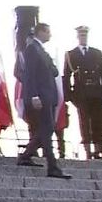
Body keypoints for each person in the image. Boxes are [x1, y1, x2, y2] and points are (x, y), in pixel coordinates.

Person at [16, 23, 71, 179]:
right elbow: (29, 75)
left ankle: (26, 156)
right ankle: (52, 166)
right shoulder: (32, 49)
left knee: (47, 129)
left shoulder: (42, 50)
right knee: (46, 130)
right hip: (41, 96)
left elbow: (54, 71)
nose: (50, 35)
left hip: (48, 95)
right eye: (48, 32)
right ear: (40, 32)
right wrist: (33, 95)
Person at [62, 25, 102, 160]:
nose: (83, 37)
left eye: (85, 35)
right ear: (78, 37)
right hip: (81, 94)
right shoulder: (71, 54)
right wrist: (69, 95)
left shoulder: (97, 53)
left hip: (96, 93)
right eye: (81, 35)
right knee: (84, 123)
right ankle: (88, 150)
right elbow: (66, 75)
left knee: (97, 122)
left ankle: (99, 150)